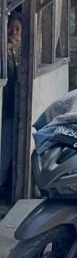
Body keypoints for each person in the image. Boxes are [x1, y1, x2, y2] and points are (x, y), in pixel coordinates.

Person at [1, 12, 22, 194]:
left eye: (17, 29)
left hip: (10, 110)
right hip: (3, 109)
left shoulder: (18, 50)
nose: (13, 32)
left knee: (6, 150)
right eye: (10, 28)